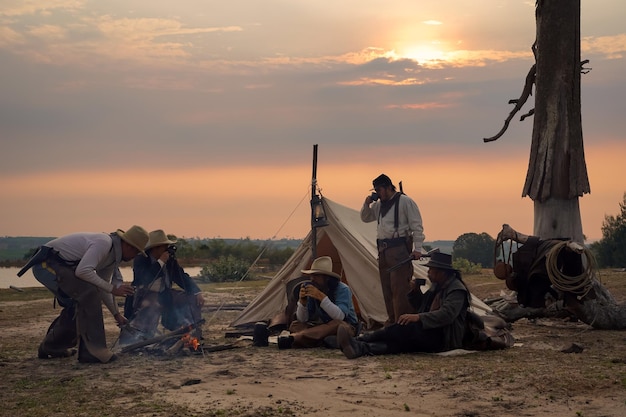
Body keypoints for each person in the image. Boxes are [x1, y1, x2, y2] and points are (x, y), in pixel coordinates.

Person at [18, 225, 149, 363]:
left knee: (79, 302)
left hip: (63, 267)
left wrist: (116, 314)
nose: (135, 256)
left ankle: (51, 347)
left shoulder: (112, 257)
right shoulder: (104, 244)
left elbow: (102, 285)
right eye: (136, 252)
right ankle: (91, 352)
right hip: (46, 265)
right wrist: (113, 289)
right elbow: (82, 271)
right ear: (129, 246)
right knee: (88, 294)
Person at [337, 252, 470, 359]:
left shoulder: (456, 290)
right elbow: (423, 308)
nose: (428, 273)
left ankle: (361, 342)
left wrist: (418, 318)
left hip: (444, 337)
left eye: (431, 270)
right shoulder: (437, 287)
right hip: (432, 331)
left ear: (442, 272)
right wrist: (415, 292)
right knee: (403, 341)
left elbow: (446, 315)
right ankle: (361, 346)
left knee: (406, 329)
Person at [119, 229, 205, 345]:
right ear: (156, 248)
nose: (167, 250)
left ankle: (192, 333)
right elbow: (145, 278)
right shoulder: (141, 259)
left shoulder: (170, 260)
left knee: (192, 299)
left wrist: (196, 291)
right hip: (143, 296)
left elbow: (180, 276)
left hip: (165, 294)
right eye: (164, 247)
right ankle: (143, 338)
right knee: (153, 303)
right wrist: (160, 262)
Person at [361, 173, 425, 326]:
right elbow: (365, 217)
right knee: (387, 289)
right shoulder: (378, 206)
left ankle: (402, 323)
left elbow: (417, 226)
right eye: (376, 190)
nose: (378, 193)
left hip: (399, 250)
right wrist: (366, 203)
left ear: (389, 187)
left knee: (400, 290)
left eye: (380, 189)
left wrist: (418, 249)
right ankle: (392, 321)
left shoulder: (405, 202)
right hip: (383, 251)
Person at [277, 256, 358, 349]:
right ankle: (324, 340)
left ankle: (294, 339)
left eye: (316, 275)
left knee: (337, 325)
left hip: (346, 326)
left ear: (326, 278)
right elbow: (303, 319)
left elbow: (340, 316)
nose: (312, 279)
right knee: (296, 325)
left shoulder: (342, 289)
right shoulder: (315, 287)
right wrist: (302, 303)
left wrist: (321, 297)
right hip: (323, 327)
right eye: (312, 275)